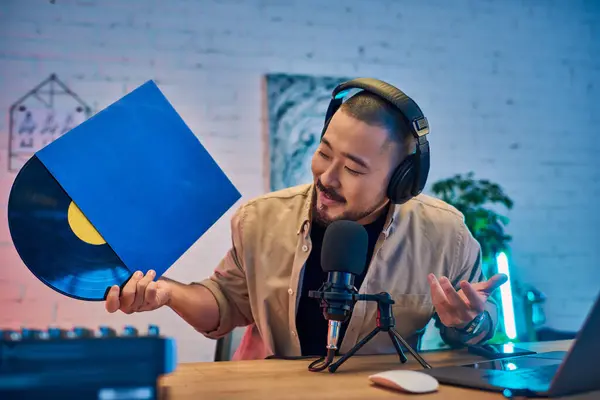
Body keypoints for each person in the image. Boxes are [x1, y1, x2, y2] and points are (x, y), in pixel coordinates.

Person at [105, 78, 507, 361]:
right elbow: (225, 305)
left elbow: (481, 330)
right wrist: (168, 292)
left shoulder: (444, 234)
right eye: (324, 152)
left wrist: (466, 323)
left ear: (400, 182)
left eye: (352, 168)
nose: (326, 177)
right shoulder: (259, 219)